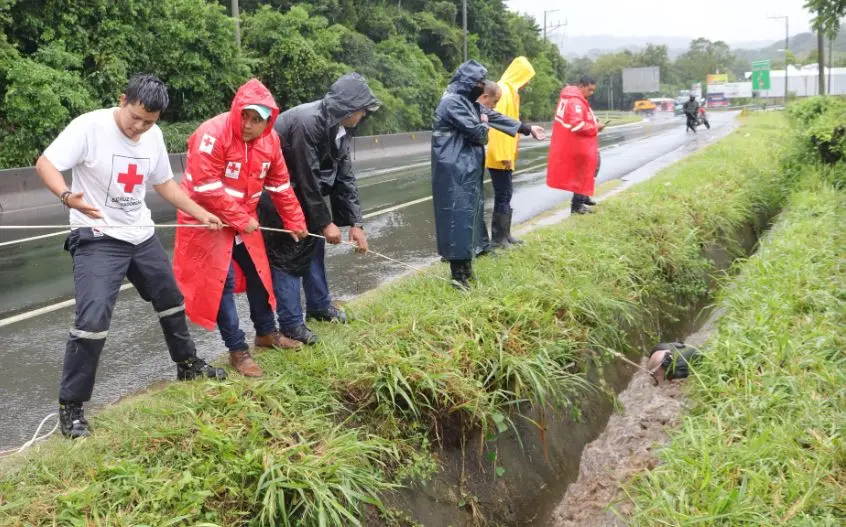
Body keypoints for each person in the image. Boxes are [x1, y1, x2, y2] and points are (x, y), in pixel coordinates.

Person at [34, 74, 227, 438]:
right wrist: (67, 196)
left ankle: (187, 364)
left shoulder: (153, 136)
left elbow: (164, 183)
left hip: (140, 233)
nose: (138, 127)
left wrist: (200, 212)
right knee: (92, 320)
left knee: (171, 299)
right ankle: (71, 408)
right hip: (97, 235)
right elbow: (46, 163)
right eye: (135, 117)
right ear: (123, 100)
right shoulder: (89, 127)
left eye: (148, 122)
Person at [173, 78, 309, 378]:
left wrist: (295, 221)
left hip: (243, 220)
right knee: (222, 282)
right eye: (244, 116)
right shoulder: (212, 134)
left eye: (256, 119)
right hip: (206, 220)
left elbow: (280, 185)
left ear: (268, 122)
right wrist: (239, 217)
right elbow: (205, 187)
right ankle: (237, 349)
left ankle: (266, 332)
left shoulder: (270, 142)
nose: (247, 124)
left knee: (259, 274)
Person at [257, 72, 381, 345]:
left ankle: (319, 306)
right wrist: (325, 222)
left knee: (313, 248)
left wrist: (356, 224)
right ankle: (291, 324)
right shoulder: (308, 122)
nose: (363, 115)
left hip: (302, 192)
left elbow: (344, 175)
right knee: (289, 257)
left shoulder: (341, 128)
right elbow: (307, 175)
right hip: (279, 194)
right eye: (361, 110)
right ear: (348, 108)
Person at [431, 60, 544, 290]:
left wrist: (526, 128)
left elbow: (493, 116)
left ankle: (466, 269)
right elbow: (479, 133)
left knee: (469, 216)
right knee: (457, 218)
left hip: (466, 168)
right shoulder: (452, 102)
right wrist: (483, 123)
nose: (481, 86)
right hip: (455, 170)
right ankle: (458, 277)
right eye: (479, 82)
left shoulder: (466, 102)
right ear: (469, 82)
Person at [485, 56, 536, 249]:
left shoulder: (510, 91)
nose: (527, 82)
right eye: (527, 77)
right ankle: (499, 239)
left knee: (506, 193)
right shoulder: (504, 91)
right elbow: (498, 125)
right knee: (503, 193)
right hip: (500, 155)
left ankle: (505, 235)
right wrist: (504, 155)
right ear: (519, 74)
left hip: (504, 154)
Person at [547, 76, 606, 215]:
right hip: (578, 143)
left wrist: (593, 120)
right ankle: (577, 204)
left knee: (592, 166)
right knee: (585, 171)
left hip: (576, 142)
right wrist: (595, 127)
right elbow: (577, 125)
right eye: (589, 90)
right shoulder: (575, 101)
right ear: (581, 86)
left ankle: (583, 197)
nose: (591, 93)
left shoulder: (572, 97)